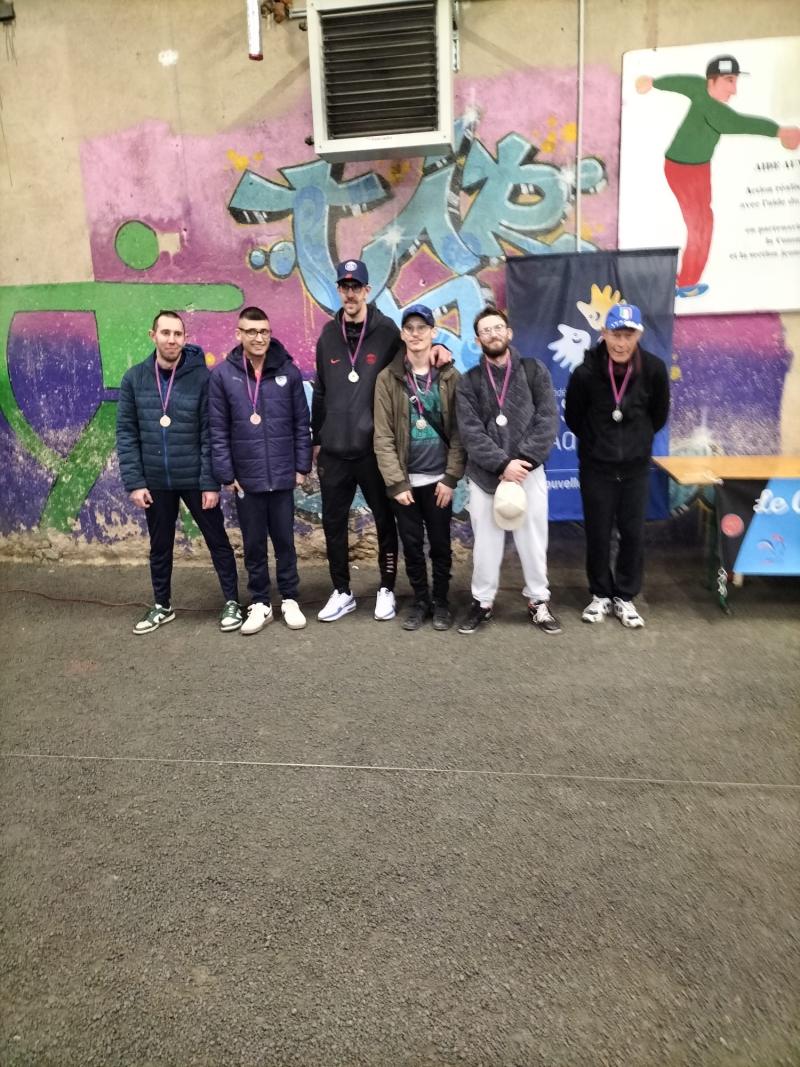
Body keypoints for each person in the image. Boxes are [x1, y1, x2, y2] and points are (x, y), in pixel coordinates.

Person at [116, 310, 241, 635]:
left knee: (218, 541)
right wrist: (135, 483)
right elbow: (127, 434)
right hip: (155, 482)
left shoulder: (203, 379)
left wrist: (210, 483)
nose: (172, 339)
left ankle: (232, 601)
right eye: (166, 333)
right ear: (153, 335)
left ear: (185, 338)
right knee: (160, 547)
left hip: (196, 480)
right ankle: (162, 605)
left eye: (178, 334)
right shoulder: (133, 379)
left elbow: (210, 432)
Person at [636, 55, 800, 298]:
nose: (734, 90)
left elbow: (682, 83)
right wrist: (778, 131)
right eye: (729, 81)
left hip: (700, 169)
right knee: (699, 226)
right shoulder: (712, 109)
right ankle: (686, 284)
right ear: (712, 81)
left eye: (735, 82)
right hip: (681, 170)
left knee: (705, 222)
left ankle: (686, 280)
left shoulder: (699, 87)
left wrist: (655, 82)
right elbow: (738, 123)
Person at [455, 307, 560, 635]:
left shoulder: (534, 370)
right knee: (486, 545)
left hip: (528, 473)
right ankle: (482, 602)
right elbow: (470, 432)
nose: (493, 334)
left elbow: (547, 418)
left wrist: (522, 462)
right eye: (485, 331)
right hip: (487, 477)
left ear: (509, 332)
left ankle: (538, 600)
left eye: (497, 327)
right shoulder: (469, 381)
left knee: (533, 541)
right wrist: (502, 464)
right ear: (477, 340)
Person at [564, 302, 670, 628]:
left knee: (633, 534)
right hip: (597, 468)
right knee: (597, 533)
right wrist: (598, 444)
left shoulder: (654, 369)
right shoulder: (585, 373)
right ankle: (600, 594)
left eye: (628, 335)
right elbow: (574, 418)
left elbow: (658, 416)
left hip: (635, 468)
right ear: (604, 333)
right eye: (615, 335)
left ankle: (625, 596)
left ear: (638, 335)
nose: (621, 343)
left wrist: (635, 444)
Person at [310, 258, 404, 623]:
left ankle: (387, 588)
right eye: (344, 287)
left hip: (372, 450)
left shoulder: (387, 332)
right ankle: (342, 591)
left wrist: (438, 353)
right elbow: (320, 390)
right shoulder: (327, 335)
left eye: (356, 287)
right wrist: (317, 438)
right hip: (334, 451)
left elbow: (407, 371)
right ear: (339, 290)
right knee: (333, 524)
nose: (350, 294)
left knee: (385, 520)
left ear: (367, 290)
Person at [208, 306, 311, 634]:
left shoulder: (288, 372)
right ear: (238, 334)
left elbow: (301, 422)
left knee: (285, 542)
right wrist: (226, 474)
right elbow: (218, 429)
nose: (258, 337)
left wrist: (301, 466)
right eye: (251, 332)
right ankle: (260, 602)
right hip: (246, 480)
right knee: (253, 544)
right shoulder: (223, 376)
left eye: (264, 331)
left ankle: (290, 598)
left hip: (282, 474)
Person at [373, 304, 465, 631]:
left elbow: (460, 431)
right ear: (402, 334)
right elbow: (383, 435)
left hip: (440, 481)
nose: (416, 334)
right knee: (411, 546)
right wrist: (397, 483)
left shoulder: (450, 377)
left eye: (422, 328)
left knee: (440, 545)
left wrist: (451, 478)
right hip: (407, 484)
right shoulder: (387, 379)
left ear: (433, 332)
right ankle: (421, 599)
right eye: (410, 328)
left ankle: (441, 601)